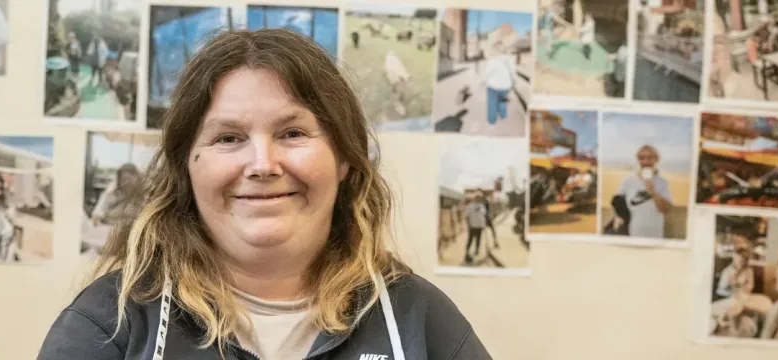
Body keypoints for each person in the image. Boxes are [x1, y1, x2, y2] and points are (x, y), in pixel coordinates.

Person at [38, 29, 491, 359]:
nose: (262, 165)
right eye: (228, 138)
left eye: (292, 132)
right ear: (186, 166)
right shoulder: (110, 325)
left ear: (345, 158)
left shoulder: (419, 321)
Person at [608, 145, 673, 239]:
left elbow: (667, 210)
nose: (646, 161)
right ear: (638, 160)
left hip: (655, 235)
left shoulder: (662, 183)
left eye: (650, 158)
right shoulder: (628, 181)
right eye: (642, 158)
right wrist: (618, 218)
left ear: (656, 160)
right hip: (633, 233)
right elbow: (618, 203)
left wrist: (654, 193)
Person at [481, 55, 515, 125]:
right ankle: (503, 116)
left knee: (492, 104)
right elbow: (513, 73)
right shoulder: (509, 60)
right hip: (505, 86)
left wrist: (483, 81)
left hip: (493, 86)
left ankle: (492, 121)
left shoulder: (492, 61)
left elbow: (486, 73)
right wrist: (512, 83)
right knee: (503, 101)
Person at [465, 194, 489, 263]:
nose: (478, 199)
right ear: (474, 198)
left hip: (480, 226)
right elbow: (467, 216)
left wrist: (484, 225)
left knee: (478, 239)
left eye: (480, 198)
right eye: (477, 198)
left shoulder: (482, 206)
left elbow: (483, 216)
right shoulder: (470, 206)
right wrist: (468, 225)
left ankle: (477, 250)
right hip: (472, 226)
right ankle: (467, 252)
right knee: (470, 239)